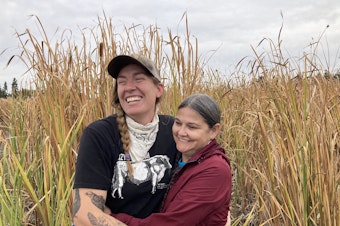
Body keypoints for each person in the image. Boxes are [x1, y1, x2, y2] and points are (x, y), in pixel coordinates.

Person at [72, 54, 178, 225]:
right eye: (122, 82)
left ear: (159, 89)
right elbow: (83, 213)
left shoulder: (175, 131)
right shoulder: (99, 135)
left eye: (139, 79)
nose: (129, 87)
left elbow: (210, 170)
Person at [112, 93, 233, 226]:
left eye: (192, 127)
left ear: (214, 130)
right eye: (178, 123)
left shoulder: (215, 170)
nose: (181, 132)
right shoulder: (179, 155)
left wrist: (108, 217)